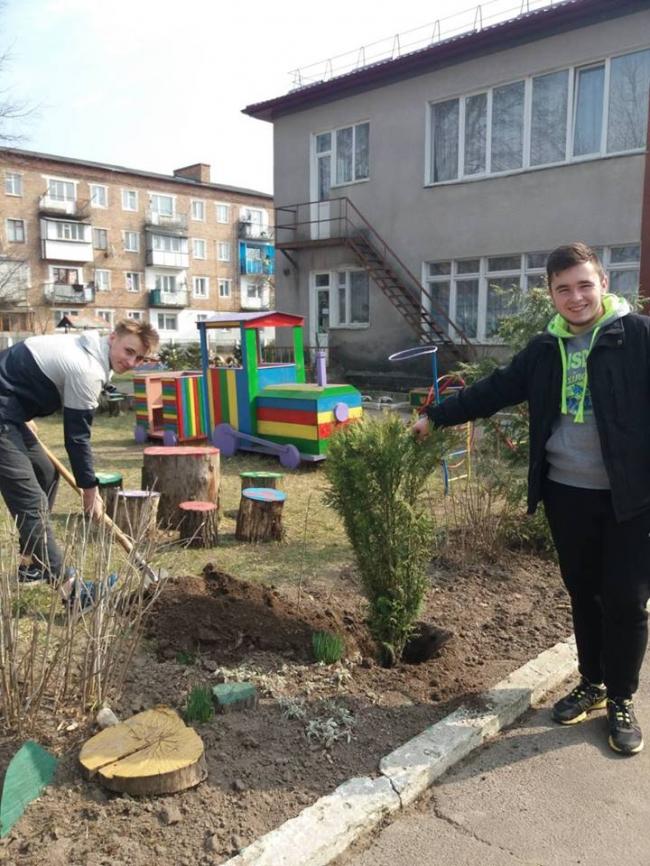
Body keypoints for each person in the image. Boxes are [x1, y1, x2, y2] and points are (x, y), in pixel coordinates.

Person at [413, 242, 650, 756]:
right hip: (567, 493)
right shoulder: (545, 349)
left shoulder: (638, 336)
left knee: (626, 600)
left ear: (603, 284)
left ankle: (621, 698)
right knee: (584, 592)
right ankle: (592, 683)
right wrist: (437, 415)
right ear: (551, 294)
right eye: (564, 289)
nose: (576, 297)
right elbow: (494, 388)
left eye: (584, 285)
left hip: (632, 499)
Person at [0, 318, 159, 591]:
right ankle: (71, 590)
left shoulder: (90, 348)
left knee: (45, 472)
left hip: (10, 410)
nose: (132, 362)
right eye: (129, 351)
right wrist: (89, 490)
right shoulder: (87, 369)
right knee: (31, 501)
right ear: (113, 338)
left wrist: (20, 408)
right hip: (5, 415)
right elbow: (77, 437)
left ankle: (32, 563)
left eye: (139, 358)